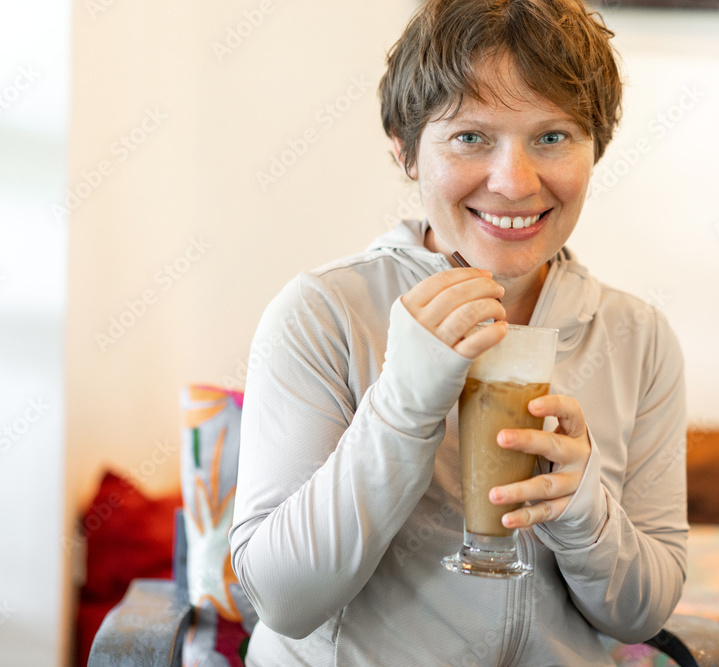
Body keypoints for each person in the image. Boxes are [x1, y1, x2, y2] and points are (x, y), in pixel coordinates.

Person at [229, 0, 688, 664]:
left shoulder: (639, 339)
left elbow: (643, 612)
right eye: (471, 137)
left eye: (553, 136)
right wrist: (403, 402)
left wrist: (583, 507)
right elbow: (282, 599)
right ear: (405, 148)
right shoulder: (322, 312)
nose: (514, 181)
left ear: (597, 148)